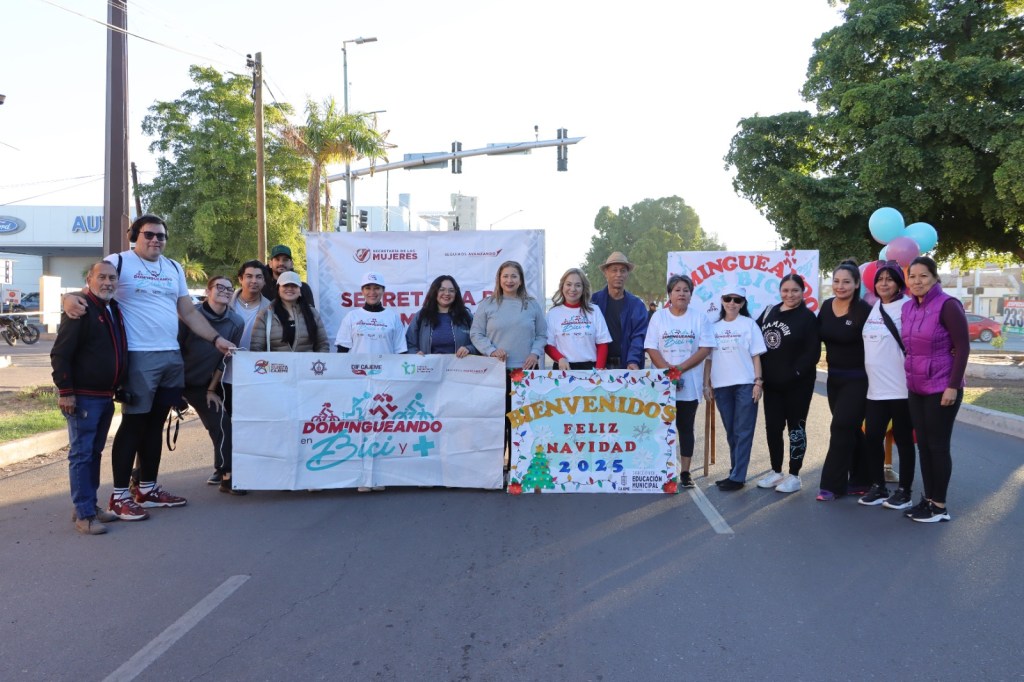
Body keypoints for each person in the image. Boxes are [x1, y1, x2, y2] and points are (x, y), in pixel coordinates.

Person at [62, 214, 236, 520]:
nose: (155, 240)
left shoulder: (173, 267)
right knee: (134, 423)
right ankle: (118, 496)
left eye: (160, 236)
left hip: (171, 355)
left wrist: (216, 338)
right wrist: (67, 298)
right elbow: (94, 286)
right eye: (149, 235)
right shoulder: (119, 261)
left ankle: (147, 488)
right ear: (135, 235)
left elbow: (186, 310)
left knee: (155, 423)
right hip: (139, 355)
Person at [50, 261, 127, 534]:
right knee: (82, 455)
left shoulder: (112, 308)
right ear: (89, 279)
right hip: (83, 397)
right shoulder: (80, 308)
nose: (107, 282)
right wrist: (66, 391)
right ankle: (84, 515)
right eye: (102, 277)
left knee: (93, 453)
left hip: (105, 397)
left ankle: (88, 506)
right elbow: (60, 354)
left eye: (112, 278)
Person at [901, 256, 969, 523]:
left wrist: (953, 386)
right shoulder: (909, 308)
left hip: (942, 387)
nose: (917, 281)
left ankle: (939, 507)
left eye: (923, 276)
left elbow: (962, 348)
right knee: (924, 446)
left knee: (938, 447)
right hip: (916, 387)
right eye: (912, 276)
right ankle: (928, 500)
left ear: (935, 278)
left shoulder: (948, 305)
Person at [471, 260, 547, 468]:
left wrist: (535, 353)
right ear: (499, 279)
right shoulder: (488, 304)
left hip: (526, 372)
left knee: (522, 422)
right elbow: (476, 333)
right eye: (505, 276)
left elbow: (542, 334)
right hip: (496, 373)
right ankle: (496, 469)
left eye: (514, 276)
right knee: (498, 422)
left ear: (521, 279)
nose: (509, 280)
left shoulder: (531, 305)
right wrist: (491, 350)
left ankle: (519, 467)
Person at [644, 275, 716, 489]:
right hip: (662, 382)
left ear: (691, 295)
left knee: (685, 427)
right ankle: (659, 468)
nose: (681, 293)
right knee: (660, 426)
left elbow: (705, 348)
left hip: (689, 382)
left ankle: (685, 472)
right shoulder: (658, 318)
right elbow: (651, 346)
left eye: (686, 290)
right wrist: (667, 370)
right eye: (677, 290)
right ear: (669, 294)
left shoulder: (699, 318)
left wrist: (680, 369)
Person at [179, 275, 246, 495]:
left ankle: (227, 475)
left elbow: (225, 359)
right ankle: (139, 478)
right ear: (208, 291)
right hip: (175, 380)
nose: (226, 291)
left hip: (204, 384)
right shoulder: (190, 316)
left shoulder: (236, 322)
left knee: (222, 423)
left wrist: (211, 389)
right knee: (149, 429)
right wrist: (174, 389)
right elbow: (176, 349)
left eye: (229, 289)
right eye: (220, 287)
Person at [859, 262, 916, 509]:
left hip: (902, 389)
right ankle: (878, 486)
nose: (884, 283)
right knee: (872, 438)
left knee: (903, 441)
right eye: (880, 279)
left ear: (899, 283)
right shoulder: (875, 308)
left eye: (889, 279)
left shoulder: (907, 307)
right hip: (875, 390)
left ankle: (904, 491)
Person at [756, 274, 820, 494]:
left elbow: (812, 352)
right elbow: (753, 338)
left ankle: (794, 475)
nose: (790, 295)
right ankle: (776, 471)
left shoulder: (807, 317)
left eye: (795, 290)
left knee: (796, 429)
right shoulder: (770, 312)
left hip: (798, 385)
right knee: (773, 428)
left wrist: (794, 373)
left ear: (802, 292)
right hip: (772, 385)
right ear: (780, 291)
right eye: (785, 290)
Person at [816, 259, 873, 501]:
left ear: (857, 284)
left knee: (840, 427)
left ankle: (831, 485)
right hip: (834, 379)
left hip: (859, 380)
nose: (840, 286)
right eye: (836, 281)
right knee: (849, 429)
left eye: (846, 282)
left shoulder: (864, 310)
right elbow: (813, 338)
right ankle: (862, 480)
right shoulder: (827, 306)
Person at [703, 287, 766, 491]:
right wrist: (707, 385)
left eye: (737, 300)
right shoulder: (713, 328)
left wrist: (758, 382)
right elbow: (708, 360)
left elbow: (756, 355)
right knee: (731, 431)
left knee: (743, 430)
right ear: (722, 301)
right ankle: (735, 471)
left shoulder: (749, 325)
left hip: (746, 384)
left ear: (742, 303)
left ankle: (738, 477)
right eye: (728, 299)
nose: (732, 303)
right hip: (722, 386)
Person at [545, 268, 611, 370]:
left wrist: (598, 370)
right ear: (562, 286)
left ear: (583, 288)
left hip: (591, 369)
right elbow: (548, 344)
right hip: (563, 368)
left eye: (578, 285)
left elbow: (602, 342)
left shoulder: (594, 310)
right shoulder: (553, 313)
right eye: (569, 284)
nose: (573, 289)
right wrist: (560, 358)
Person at [592, 252, 649, 370]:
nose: (619, 274)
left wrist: (633, 360)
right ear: (605, 273)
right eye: (614, 270)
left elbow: (639, 336)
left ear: (627, 274)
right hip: (598, 365)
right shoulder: (593, 302)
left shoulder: (637, 305)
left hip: (628, 366)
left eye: (623, 271)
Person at [252, 271, 330, 353]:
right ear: (278, 289)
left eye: (294, 286)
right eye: (285, 285)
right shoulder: (265, 314)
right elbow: (256, 349)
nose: (289, 288)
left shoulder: (313, 313)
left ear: (300, 291)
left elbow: (323, 345)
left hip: (307, 365)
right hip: (276, 365)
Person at [335, 272, 407, 354]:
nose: (372, 292)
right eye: (368, 288)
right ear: (362, 291)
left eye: (376, 288)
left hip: (386, 367)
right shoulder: (351, 316)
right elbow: (342, 350)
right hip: (357, 367)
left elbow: (401, 352)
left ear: (383, 290)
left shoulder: (393, 317)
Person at [406, 275, 478, 357]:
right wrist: (415, 353)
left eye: (451, 290)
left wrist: (469, 349)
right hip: (429, 367)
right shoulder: (422, 316)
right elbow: (409, 343)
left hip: (459, 368)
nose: (447, 293)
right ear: (434, 292)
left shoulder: (466, 316)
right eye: (442, 290)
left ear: (456, 293)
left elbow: (480, 341)